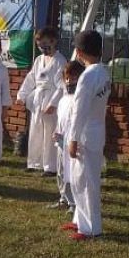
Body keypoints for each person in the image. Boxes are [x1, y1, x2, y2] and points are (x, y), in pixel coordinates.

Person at [61, 30, 111, 241]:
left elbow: (79, 110)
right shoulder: (104, 72)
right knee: (84, 177)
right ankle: (79, 219)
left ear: (79, 52)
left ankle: (91, 228)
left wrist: (72, 139)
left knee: (85, 181)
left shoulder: (87, 76)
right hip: (96, 129)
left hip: (84, 133)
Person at [17, 26, 67, 176]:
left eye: (45, 44)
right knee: (35, 131)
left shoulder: (60, 61)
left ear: (54, 41)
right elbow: (31, 78)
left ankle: (50, 167)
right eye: (40, 45)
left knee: (50, 133)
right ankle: (34, 162)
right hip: (38, 99)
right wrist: (22, 95)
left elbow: (62, 85)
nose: (43, 47)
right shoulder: (39, 60)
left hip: (51, 99)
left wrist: (53, 103)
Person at [51, 60, 85, 212]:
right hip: (61, 139)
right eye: (67, 78)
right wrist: (57, 131)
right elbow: (61, 118)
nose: (70, 81)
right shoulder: (64, 99)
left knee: (71, 172)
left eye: (74, 78)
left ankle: (74, 202)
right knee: (61, 170)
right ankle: (63, 198)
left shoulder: (80, 100)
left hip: (73, 140)